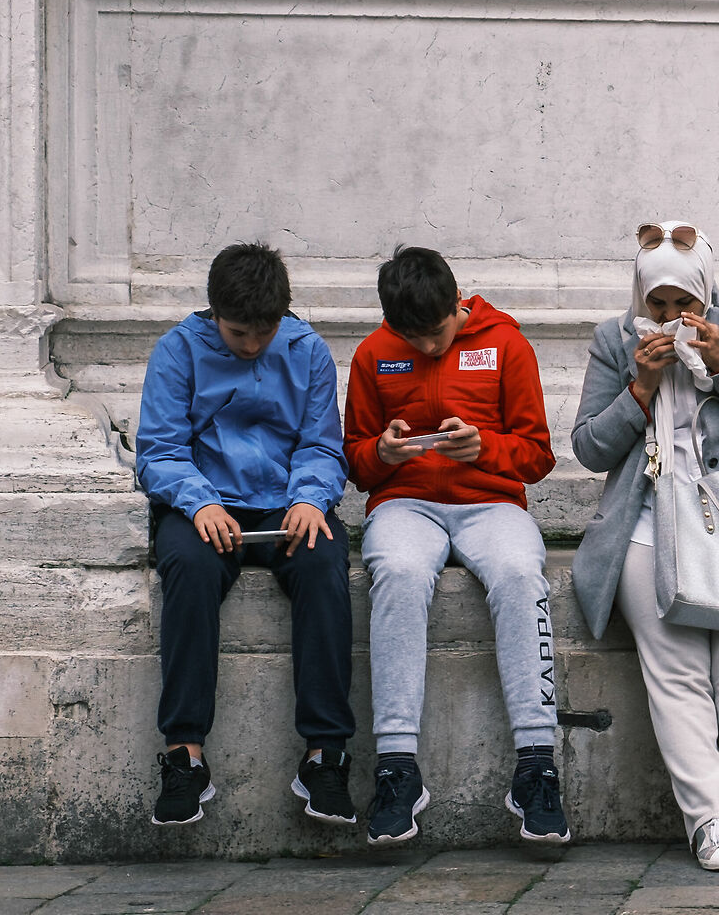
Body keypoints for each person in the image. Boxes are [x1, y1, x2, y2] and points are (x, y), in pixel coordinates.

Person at [570, 222, 719, 872]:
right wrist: (639, 391)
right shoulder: (616, 341)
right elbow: (588, 447)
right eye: (659, 306)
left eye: (685, 305)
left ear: (707, 294)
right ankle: (708, 822)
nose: (672, 319)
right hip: (647, 523)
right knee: (675, 671)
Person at [344, 246, 564, 848]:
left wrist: (485, 449)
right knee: (396, 571)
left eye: (437, 333)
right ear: (393, 324)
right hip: (405, 503)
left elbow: (538, 455)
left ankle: (537, 763)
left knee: (522, 572)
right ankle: (396, 767)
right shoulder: (373, 353)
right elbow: (356, 459)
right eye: (412, 340)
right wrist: (380, 453)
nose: (429, 349)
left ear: (455, 303)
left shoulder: (507, 345)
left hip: (492, 503)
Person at [137, 242, 355, 827]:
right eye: (238, 333)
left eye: (265, 332)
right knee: (188, 569)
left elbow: (321, 443)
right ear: (215, 314)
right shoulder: (178, 351)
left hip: (287, 504)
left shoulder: (306, 350)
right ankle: (184, 755)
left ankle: (324, 756)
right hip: (203, 503)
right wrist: (199, 502)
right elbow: (158, 450)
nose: (253, 345)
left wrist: (310, 499)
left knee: (325, 563)